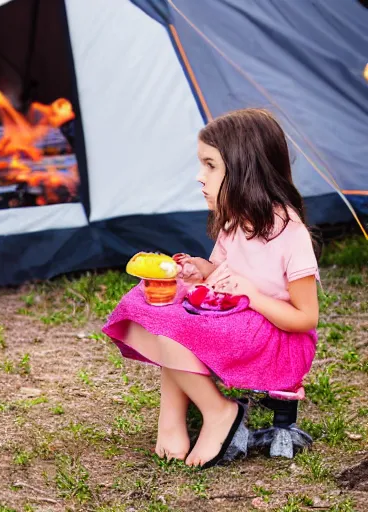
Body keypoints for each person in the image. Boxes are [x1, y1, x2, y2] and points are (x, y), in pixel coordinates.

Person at [102, 109, 320, 469]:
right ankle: (170, 419)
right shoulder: (234, 222)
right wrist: (201, 271)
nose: (199, 177)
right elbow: (223, 274)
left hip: (278, 343)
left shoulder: (291, 235)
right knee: (148, 305)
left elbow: (305, 318)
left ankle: (219, 411)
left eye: (210, 166)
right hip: (234, 322)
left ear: (245, 169)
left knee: (176, 327)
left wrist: (252, 295)